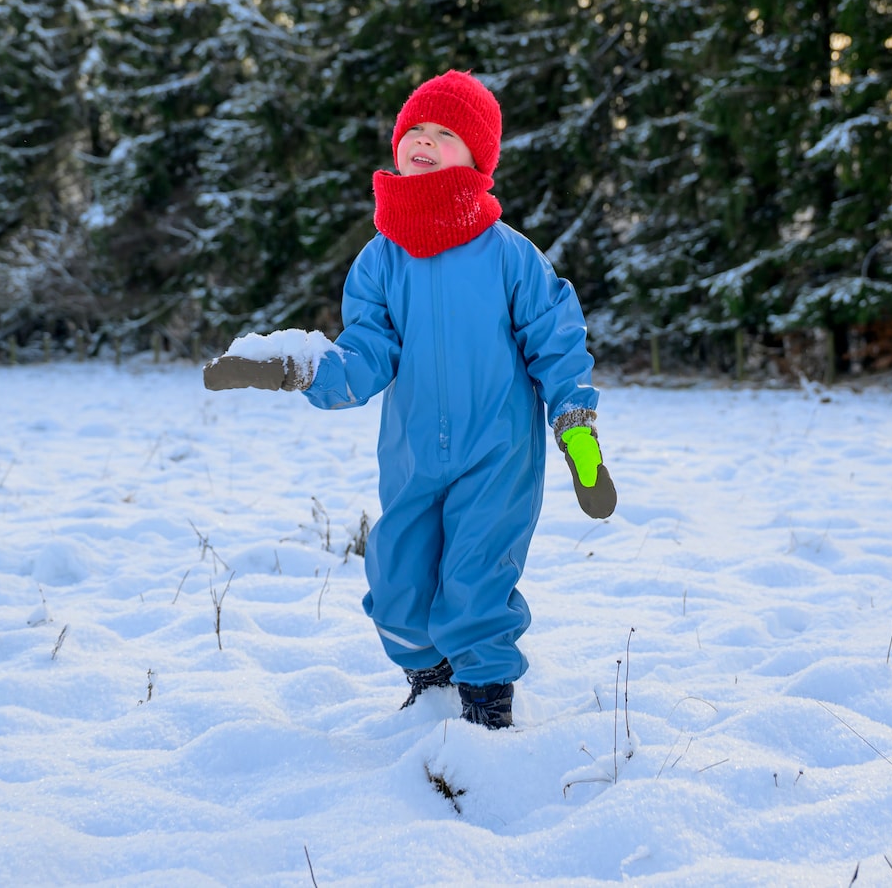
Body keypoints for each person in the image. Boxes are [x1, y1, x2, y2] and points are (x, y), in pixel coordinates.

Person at [203, 69, 616, 730]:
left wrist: (576, 430)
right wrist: (301, 365)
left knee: (476, 579)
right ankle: (430, 684)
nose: (422, 141)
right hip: (413, 455)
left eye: (444, 134)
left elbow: (557, 344)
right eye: (413, 130)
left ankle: (485, 707)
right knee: (397, 582)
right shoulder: (379, 261)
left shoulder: (511, 257)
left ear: (476, 157)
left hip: (498, 455)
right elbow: (366, 356)